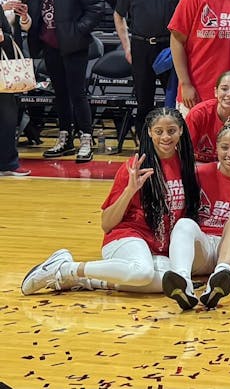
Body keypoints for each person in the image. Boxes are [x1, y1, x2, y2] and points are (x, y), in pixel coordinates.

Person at [21, 108, 200, 295]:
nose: (165, 137)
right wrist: (130, 190)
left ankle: (87, 280)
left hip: (156, 248)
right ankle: (67, 268)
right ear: (149, 132)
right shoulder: (134, 166)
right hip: (126, 238)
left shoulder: (187, 167)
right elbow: (107, 224)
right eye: (158, 131)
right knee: (143, 274)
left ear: (181, 130)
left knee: (177, 282)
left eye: (171, 131)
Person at [161, 121, 230, 310]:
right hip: (203, 246)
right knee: (184, 223)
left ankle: (221, 276)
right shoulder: (199, 174)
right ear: (216, 148)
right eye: (225, 147)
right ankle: (183, 282)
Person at [24, 0, 103, 162]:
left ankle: (86, 139)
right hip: (50, 46)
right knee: (59, 95)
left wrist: (78, 30)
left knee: (78, 94)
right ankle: (65, 138)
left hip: (74, 46)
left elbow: (97, 6)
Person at [114, 0, 188, 135]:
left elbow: (187, 17)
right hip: (141, 46)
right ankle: (145, 147)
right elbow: (118, 15)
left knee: (174, 101)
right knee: (143, 101)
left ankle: (178, 143)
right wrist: (127, 46)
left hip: (169, 46)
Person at [0, 0, 31, 176]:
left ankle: (8, 163)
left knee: (9, 111)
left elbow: (24, 28)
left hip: (8, 57)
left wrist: (23, 16)